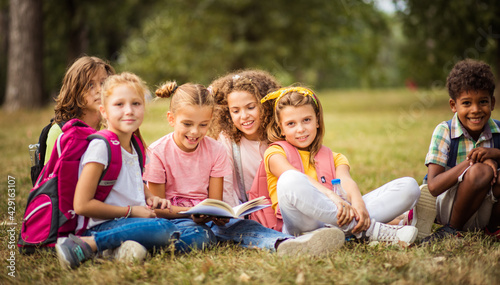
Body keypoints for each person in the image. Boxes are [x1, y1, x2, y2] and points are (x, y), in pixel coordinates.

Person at [145, 81, 345, 256]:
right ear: (171, 119)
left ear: (211, 119)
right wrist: (192, 213)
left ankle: (286, 244)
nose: (195, 132)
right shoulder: (157, 152)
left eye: (203, 124)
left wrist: (218, 215)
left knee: (245, 226)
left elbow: (215, 201)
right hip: (175, 219)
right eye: (187, 124)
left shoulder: (216, 150)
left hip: (206, 219)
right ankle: (146, 245)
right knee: (199, 236)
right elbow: (158, 209)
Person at [54, 73, 189, 269]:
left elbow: (132, 182)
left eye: (136, 104)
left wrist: (151, 197)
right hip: (102, 226)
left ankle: (114, 250)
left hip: (130, 223)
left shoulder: (134, 146)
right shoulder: (101, 147)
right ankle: (86, 244)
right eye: (119, 104)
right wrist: (131, 211)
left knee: (200, 233)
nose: (129, 111)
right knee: (164, 228)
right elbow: (82, 205)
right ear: (104, 111)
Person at [262, 86, 420, 244]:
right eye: (291, 124)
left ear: (317, 120)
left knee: (409, 186)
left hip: (336, 217)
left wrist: (358, 203)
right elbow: (294, 177)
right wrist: (332, 196)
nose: (301, 129)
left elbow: (346, 181)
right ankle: (370, 230)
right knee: (289, 178)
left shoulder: (335, 157)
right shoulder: (274, 153)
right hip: (301, 224)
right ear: (280, 128)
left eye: (306, 120)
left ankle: (341, 232)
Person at [422, 59, 500, 242]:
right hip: (448, 207)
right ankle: (452, 230)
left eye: (482, 102)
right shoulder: (445, 131)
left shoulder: (497, 130)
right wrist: (473, 161)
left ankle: (492, 228)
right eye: (466, 103)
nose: (475, 110)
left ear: (492, 102)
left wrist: (494, 154)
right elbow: (433, 187)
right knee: (481, 170)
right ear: (453, 105)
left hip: (483, 207)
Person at [209, 70, 281, 206]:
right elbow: (226, 188)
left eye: (251, 107)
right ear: (227, 112)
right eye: (235, 111)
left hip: (280, 207)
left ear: (265, 105)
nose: (244, 116)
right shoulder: (227, 140)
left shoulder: (278, 134)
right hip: (246, 212)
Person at [45, 56, 115, 164]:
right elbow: (50, 177)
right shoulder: (60, 132)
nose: (99, 90)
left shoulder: (112, 127)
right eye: (90, 85)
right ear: (75, 90)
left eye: (103, 83)